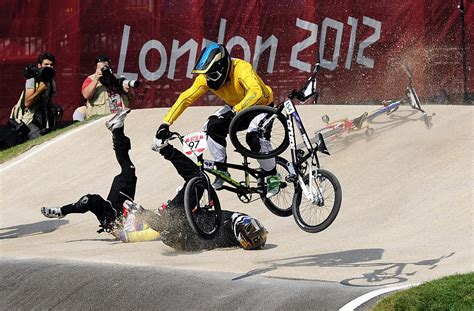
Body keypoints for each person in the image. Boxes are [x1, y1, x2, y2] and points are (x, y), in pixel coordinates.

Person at [41, 110, 267, 251]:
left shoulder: (118, 227)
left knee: (93, 198)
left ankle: (61, 211)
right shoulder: (225, 233)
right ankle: (121, 131)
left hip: (155, 222)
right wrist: (239, 220)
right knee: (130, 172)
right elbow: (222, 222)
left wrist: (141, 214)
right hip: (173, 218)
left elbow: (164, 232)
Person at [153, 42, 280, 198]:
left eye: (211, 75)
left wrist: (235, 111)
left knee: (253, 136)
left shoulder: (242, 69)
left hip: (260, 106)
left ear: (223, 68)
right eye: (206, 76)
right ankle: (221, 169)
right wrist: (166, 123)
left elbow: (257, 92)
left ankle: (273, 175)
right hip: (236, 107)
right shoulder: (206, 78)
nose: (208, 80)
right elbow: (186, 98)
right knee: (212, 125)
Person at [9, 52, 60, 140]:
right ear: (39, 66)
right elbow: (27, 103)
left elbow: (48, 101)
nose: (49, 67)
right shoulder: (32, 79)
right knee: (39, 139)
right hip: (26, 119)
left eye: (51, 65)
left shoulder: (51, 81)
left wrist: (54, 109)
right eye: (46, 64)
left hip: (41, 118)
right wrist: (40, 90)